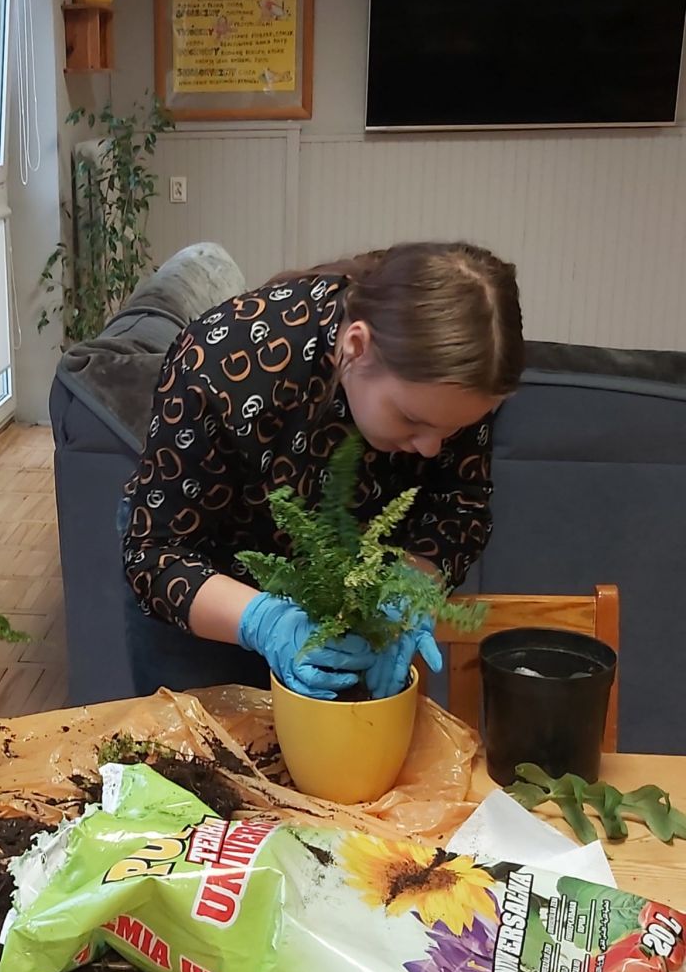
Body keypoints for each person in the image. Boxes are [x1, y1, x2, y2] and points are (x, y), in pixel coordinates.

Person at [120, 242, 524, 700]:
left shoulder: (459, 382)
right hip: (204, 584)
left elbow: (459, 503)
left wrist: (411, 585)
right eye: (413, 421)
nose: (432, 449)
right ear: (356, 347)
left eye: (455, 431)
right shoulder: (219, 364)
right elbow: (154, 552)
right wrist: (265, 623)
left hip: (346, 601)